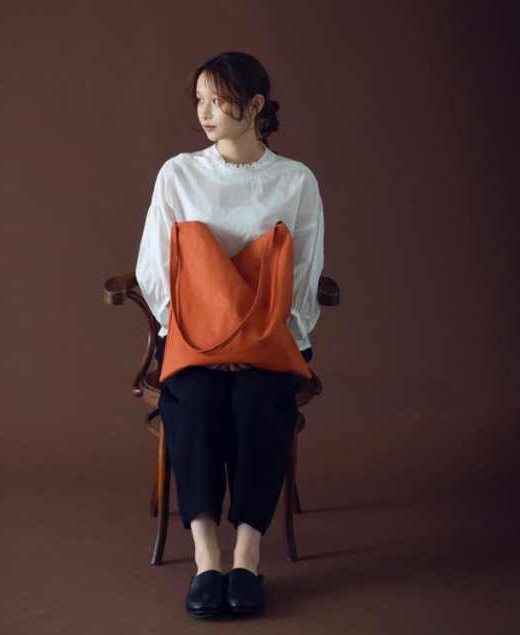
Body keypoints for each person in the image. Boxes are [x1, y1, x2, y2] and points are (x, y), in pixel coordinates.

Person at [135, 51, 325, 618]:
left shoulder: (295, 180)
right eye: (200, 100)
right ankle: (206, 560)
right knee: (194, 402)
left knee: (256, 402)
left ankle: (246, 554)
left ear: (255, 105)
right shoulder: (179, 174)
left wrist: (266, 338)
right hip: (192, 338)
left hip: (269, 339)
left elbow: (305, 271)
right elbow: (154, 268)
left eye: (218, 100)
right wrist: (199, 337)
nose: (205, 112)